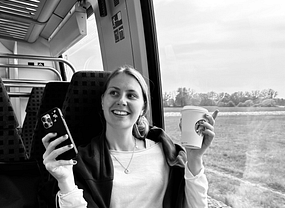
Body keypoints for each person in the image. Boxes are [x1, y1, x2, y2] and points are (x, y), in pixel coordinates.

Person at [42, 65, 218, 208]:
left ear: (143, 107)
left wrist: (194, 158)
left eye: (131, 95)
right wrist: (65, 181)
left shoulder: (167, 152)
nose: (122, 101)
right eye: (114, 93)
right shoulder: (81, 163)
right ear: (103, 101)